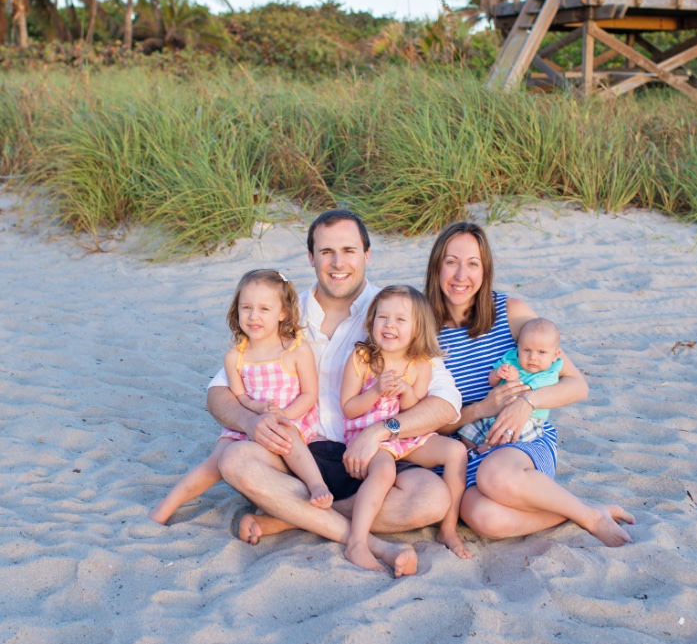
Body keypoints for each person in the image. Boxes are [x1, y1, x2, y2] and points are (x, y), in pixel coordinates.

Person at [206, 210, 462, 576]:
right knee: (234, 461)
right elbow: (218, 393)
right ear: (311, 258)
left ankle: (291, 518)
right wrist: (250, 421)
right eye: (326, 252)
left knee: (432, 499)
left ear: (367, 255)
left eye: (349, 250)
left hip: (373, 456)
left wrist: (381, 430)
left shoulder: (391, 313)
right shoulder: (284, 313)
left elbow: (446, 403)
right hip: (298, 455)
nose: (338, 263)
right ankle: (366, 541)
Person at [425, 221, 635, 547]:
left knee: (495, 475)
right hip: (466, 448)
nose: (460, 275)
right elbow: (426, 423)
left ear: (485, 270)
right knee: (483, 518)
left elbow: (577, 385)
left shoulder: (510, 312)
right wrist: (482, 409)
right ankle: (581, 511)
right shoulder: (423, 329)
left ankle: (591, 519)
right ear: (436, 266)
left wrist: (528, 402)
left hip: (521, 443)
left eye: (473, 264)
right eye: (451, 262)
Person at [149, 269, 332, 524]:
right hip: (249, 422)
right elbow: (241, 397)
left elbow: (309, 394)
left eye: (264, 309)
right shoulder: (236, 356)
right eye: (246, 307)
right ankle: (166, 506)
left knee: (287, 437)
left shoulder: (296, 350)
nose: (253, 316)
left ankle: (317, 485)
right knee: (216, 461)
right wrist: (256, 408)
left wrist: (283, 415)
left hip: (289, 418)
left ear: (283, 313)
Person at [341, 285, 471, 570]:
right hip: (368, 435)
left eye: (400, 320)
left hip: (402, 434)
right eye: (382, 317)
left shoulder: (421, 365)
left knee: (455, 451)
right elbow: (348, 408)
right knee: (384, 470)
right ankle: (357, 542)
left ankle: (448, 528)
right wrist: (375, 391)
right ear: (372, 320)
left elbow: (414, 411)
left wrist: (406, 391)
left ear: (417, 328)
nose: (389, 325)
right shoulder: (362, 359)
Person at [458, 317, 563, 453]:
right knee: (467, 430)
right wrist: (497, 374)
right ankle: (473, 452)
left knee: (509, 437)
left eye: (541, 352)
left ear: (555, 355)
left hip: (526, 419)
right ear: (518, 347)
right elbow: (491, 381)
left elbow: (524, 394)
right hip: (495, 414)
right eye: (526, 350)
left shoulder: (549, 373)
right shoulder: (511, 358)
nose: (533, 357)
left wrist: (514, 380)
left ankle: (486, 450)